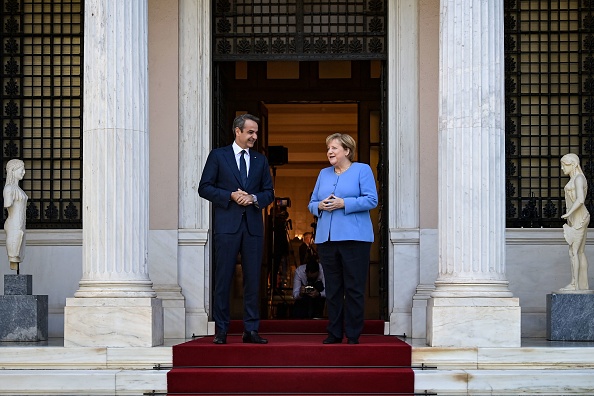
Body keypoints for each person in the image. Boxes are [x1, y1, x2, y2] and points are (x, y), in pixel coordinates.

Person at [198, 114, 274, 344]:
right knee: (223, 279)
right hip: (227, 227)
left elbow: (269, 193)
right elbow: (204, 188)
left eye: (256, 132)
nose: (255, 136)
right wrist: (230, 195)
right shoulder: (218, 156)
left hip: (252, 228)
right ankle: (222, 330)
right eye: (250, 132)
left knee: (253, 280)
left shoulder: (260, 160)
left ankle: (250, 330)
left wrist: (253, 198)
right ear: (237, 131)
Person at [308, 133, 378, 344]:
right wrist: (318, 206)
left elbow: (371, 200)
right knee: (333, 288)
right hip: (327, 239)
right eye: (328, 148)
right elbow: (311, 202)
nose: (329, 151)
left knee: (354, 288)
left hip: (355, 239)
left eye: (334, 148)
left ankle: (354, 334)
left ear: (347, 151)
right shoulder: (323, 173)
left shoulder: (362, 170)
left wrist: (344, 203)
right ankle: (334, 332)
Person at [559, 153, 590, 292]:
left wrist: (569, 213)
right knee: (580, 252)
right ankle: (583, 286)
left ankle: (574, 284)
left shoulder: (578, 179)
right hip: (577, 218)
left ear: (573, 164)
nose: (562, 168)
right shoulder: (577, 178)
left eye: (564, 165)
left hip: (579, 217)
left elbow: (581, 199)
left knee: (574, 251)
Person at [3, 159, 28, 274]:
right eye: (21, 169)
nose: (24, 172)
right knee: (14, 254)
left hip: (20, 226)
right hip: (13, 226)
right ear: (13, 171)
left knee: (19, 253)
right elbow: (8, 204)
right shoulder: (9, 189)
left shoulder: (18, 189)